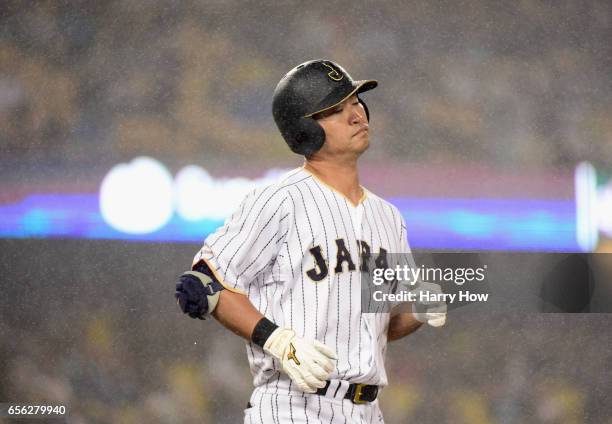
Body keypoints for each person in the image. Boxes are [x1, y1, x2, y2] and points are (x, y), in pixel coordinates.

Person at [175, 59, 447, 423]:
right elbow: (202, 286)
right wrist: (276, 340)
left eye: (356, 102)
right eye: (336, 109)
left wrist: (419, 310)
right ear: (305, 129)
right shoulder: (279, 200)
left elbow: (383, 323)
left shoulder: (389, 217)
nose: (356, 115)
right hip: (291, 405)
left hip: (368, 411)